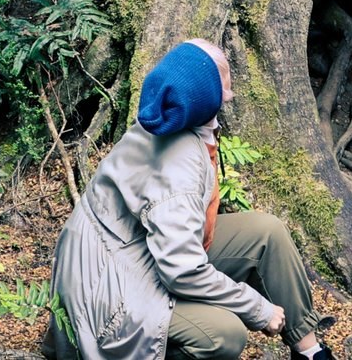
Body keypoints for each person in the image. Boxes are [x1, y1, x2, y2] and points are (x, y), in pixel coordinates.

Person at [44, 39, 335, 360]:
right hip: (110, 294)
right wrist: (259, 309)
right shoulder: (177, 163)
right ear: (208, 94)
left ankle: (309, 352)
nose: (232, 93)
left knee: (266, 232)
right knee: (224, 334)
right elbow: (180, 271)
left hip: (138, 252)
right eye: (226, 84)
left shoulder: (172, 119)